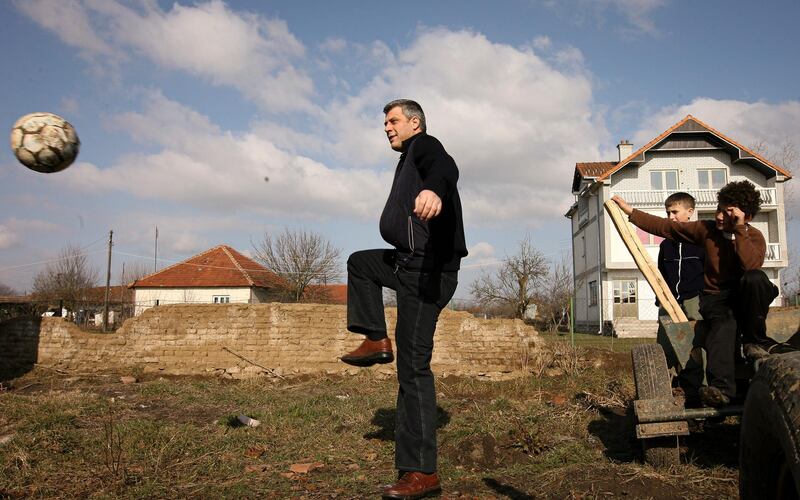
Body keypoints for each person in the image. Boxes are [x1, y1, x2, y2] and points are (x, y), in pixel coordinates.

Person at [340, 99, 467, 499]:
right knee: (361, 263)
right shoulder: (408, 156)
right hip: (407, 262)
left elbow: (448, 168)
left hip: (427, 272)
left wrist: (433, 188)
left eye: (393, 120)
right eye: (385, 122)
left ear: (415, 123)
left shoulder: (426, 146)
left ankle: (422, 473)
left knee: (413, 372)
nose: (386, 127)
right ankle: (376, 338)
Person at [613, 180, 778, 408]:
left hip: (745, 298)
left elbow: (750, 265)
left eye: (728, 212)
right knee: (724, 326)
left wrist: (739, 229)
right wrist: (631, 212)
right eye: (719, 209)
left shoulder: (754, 236)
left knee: (757, 279)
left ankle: (755, 342)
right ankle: (721, 390)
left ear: (745, 215)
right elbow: (666, 227)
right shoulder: (706, 230)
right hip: (716, 298)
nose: (720, 216)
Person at [655, 192, 705, 399]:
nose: (670, 217)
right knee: (664, 344)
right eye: (668, 213)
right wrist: (661, 299)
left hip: (694, 299)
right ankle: (664, 387)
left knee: (696, 343)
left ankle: (701, 387)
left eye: (675, 212)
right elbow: (660, 273)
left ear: (689, 212)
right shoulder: (666, 245)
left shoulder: (701, 242)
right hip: (669, 301)